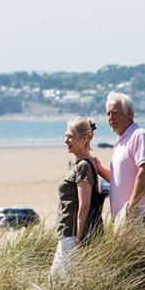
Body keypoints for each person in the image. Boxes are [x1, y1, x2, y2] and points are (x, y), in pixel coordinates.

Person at [96, 92, 145, 225]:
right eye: (108, 114)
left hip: (141, 218)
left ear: (128, 112)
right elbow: (121, 179)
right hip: (125, 219)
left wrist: (131, 208)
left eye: (115, 113)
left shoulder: (139, 135)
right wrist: (99, 170)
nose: (111, 118)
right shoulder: (121, 141)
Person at [50, 116, 103, 279]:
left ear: (84, 139)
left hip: (72, 235)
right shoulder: (85, 164)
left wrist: (79, 240)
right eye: (66, 136)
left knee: (58, 281)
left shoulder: (83, 167)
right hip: (69, 235)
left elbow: (84, 205)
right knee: (59, 280)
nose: (66, 140)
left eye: (70, 136)